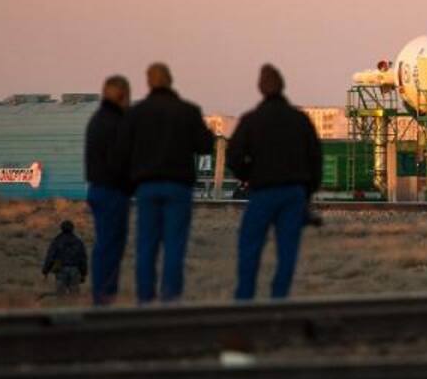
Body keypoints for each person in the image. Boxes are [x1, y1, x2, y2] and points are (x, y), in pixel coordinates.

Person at [116, 63, 214, 302]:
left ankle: (145, 299)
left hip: (147, 187)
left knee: (146, 246)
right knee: (174, 246)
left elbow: (121, 151)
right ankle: (170, 298)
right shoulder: (188, 111)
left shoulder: (136, 114)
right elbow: (205, 146)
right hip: (178, 187)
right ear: (170, 80)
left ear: (148, 82)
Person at [227, 64, 322, 300]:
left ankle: (245, 300)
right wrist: (307, 192)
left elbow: (233, 157)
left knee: (250, 247)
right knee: (287, 252)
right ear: (283, 86)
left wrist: (248, 176)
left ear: (260, 87)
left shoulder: (251, 120)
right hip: (293, 194)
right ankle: (279, 301)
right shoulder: (299, 120)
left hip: (262, 191)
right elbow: (315, 159)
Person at [85, 74, 131, 305]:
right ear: (122, 95)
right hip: (113, 190)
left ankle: (101, 295)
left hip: (97, 188)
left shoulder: (96, 120)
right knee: (111, 246)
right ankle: (105, 296)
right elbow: (120, 160)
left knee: (104, 244)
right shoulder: (117, 123)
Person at [42, 220, 88, 295]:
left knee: (61, 295)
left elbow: (50, 256)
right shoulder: (78, 241)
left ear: (61, 228)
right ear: (72, 228)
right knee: (74, 295)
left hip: (61, 270)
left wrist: (45, 270)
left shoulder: (57, 241)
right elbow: (83, 259)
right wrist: (83, 273)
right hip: (75, 270)